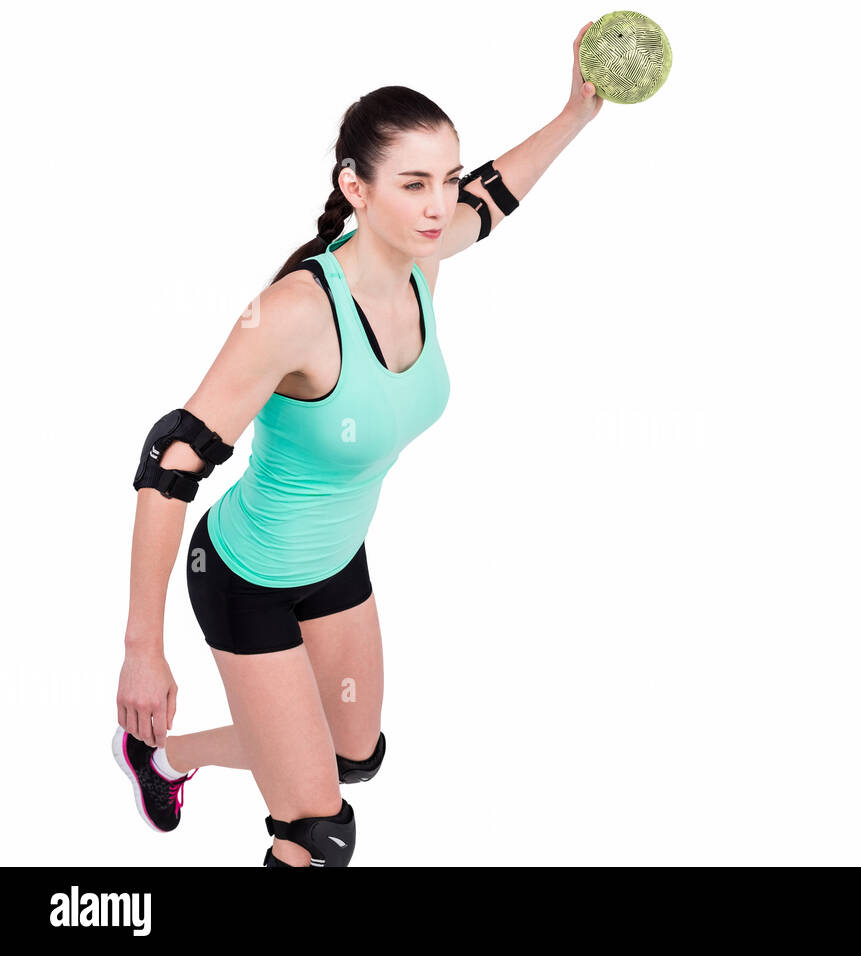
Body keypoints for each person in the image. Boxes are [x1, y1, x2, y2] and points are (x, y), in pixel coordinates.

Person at [114, 24, 603, 866]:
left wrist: (576, 112)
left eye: (444, 180)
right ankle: (184, 755)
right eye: (413, 184)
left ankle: (163, 760)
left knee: (353, 756)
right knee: (319, 830)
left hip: (335, 563)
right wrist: (142, 651)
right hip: (246, 577)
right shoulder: (297, 314)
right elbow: (171, 462)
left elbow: (495, 195)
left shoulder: (423, 254)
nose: (438, 204)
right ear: (356, 186)